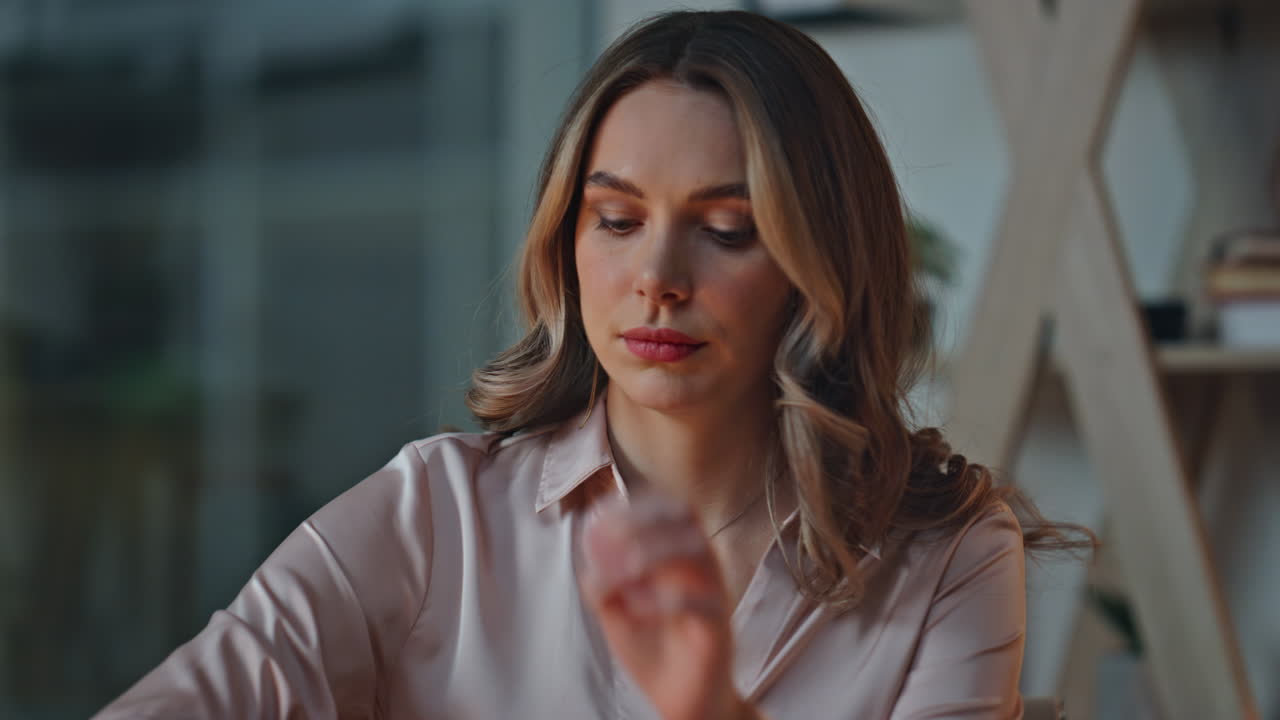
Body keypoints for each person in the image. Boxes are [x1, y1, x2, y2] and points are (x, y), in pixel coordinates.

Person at [96, 10, 1089, 720]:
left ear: (818, 263)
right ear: (564, 243)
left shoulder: (948, 555)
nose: (657, 278)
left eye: (727, 230)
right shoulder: (433, 515)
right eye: (615, 220)